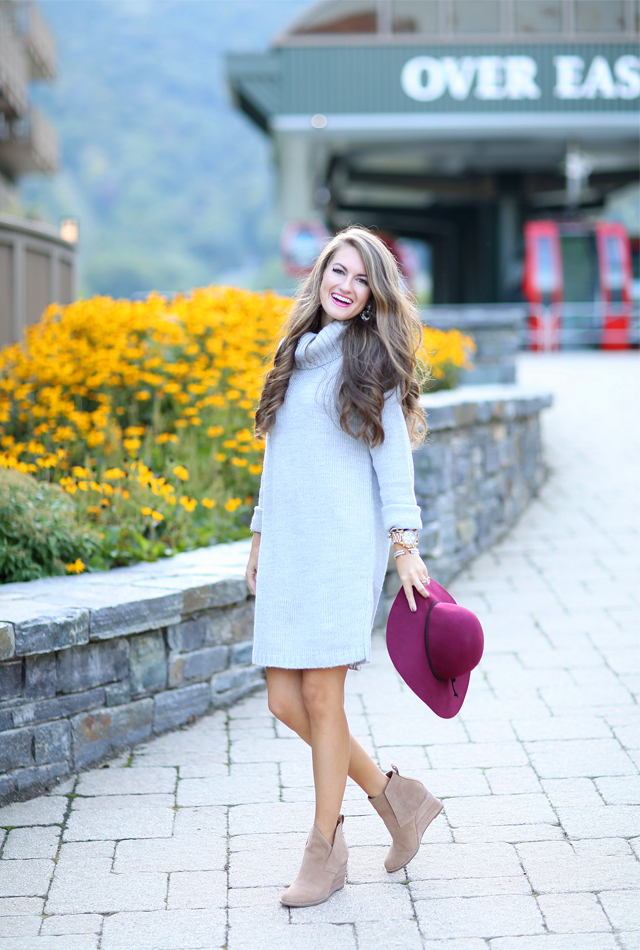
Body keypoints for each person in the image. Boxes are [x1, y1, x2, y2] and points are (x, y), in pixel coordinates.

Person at [244, 227, 442, 908]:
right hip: (290, 546)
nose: (346, 285)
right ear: (320, 273)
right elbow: (277, 460)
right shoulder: (291, 353)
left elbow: (393, 462)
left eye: (361, 280)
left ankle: (324, 853)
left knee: (324, 699)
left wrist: (403, 543)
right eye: (339, 270)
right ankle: (399, 800)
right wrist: (260, 539)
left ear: (370, 297)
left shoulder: (372, 362)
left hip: (341, 549)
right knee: (283, 700)